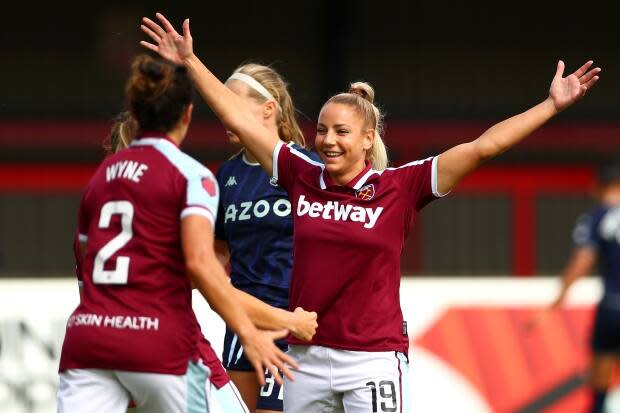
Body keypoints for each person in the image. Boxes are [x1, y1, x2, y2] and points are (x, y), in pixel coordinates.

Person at [140, 13, 601, 412]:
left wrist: (549, 106)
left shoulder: (401, 186)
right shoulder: (301, 172)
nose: (328, 141)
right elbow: (240, 119)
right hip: (307, 356)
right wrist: (192, 64)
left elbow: (484, 147)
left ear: (367, 139)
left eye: (342, 131)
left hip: (371, 358)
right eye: (321, 130)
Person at [57, 54, 298, 413]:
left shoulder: (101, 180)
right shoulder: (190, 174)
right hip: (160, 337)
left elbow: (88, 265)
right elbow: (202, 265)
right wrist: (253, 331)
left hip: (89, 335)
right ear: (187, 115)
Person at [101, 110, 318, 413]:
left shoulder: (96, 217)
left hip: (104, 344)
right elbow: (213, 286)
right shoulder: (176, 210)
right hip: (171, 344)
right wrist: (286, 322)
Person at [215, 63, 321, 413]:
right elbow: (217, 252)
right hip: (243, 323)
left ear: (268, 108)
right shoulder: (226, 175)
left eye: (232, 103)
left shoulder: (305, 166)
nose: (223, 113)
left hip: (293, 322)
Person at [532, 162, 620, 413]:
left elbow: (582, 260)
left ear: (598, 188)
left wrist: (556, 302)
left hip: (613, 307)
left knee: (600, 384)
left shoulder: (598, 217)